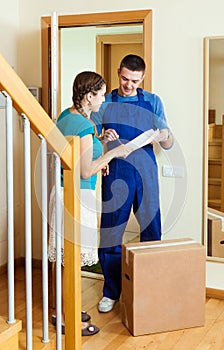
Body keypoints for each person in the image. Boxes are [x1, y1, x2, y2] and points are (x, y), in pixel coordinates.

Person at [48, 71, 130, 335]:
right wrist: (114, 152)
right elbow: (84, 171)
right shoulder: (83, 126)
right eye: (101, 95)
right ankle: (65, 317)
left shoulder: (67, 116)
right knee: (68, 260)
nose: (103, 100)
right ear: (88, 96)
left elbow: (77, 157)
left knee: (60, 258)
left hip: (61, 192)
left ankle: (57, 308)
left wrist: (99, 142)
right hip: (75, 195)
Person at [91, 54, 174, 313]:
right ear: (118, 73)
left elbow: (169, 143)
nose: (129, 85)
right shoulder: (105, 103)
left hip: (146, 173)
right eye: (125, 79)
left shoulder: (152, 101)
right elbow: (91, 140)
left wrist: (163, 136)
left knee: (151, 230)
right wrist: (103, 136)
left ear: (143, 78)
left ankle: (151, 287)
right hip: (116, 172)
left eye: (135, 81)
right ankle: (111, 292)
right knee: (111, 232)